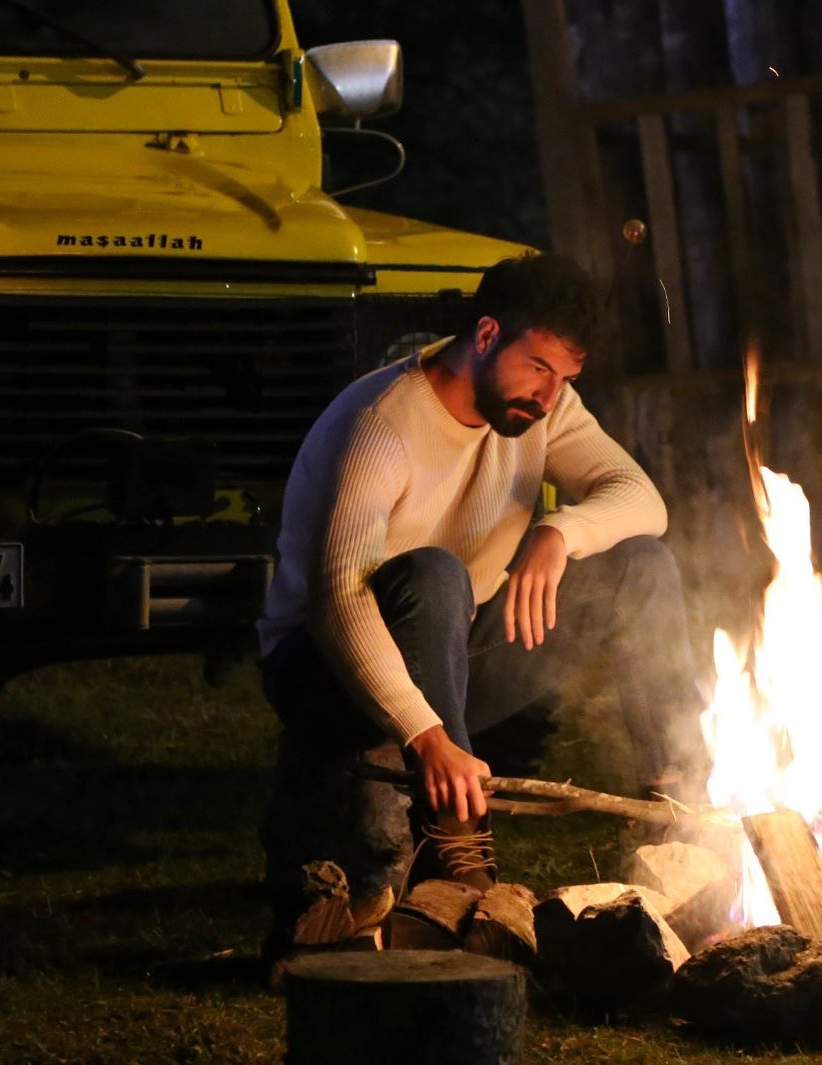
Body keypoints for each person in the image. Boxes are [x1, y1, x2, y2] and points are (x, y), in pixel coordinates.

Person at [257, 252, 705, 895]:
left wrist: (559, 532)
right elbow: (337, 602)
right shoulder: (381, 423)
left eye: (565, 376)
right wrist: (425, 733)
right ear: (488, 334)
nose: (549, 396)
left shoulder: (542, 408)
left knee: (641, 566)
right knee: (437, 575)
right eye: (539, 367)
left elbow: (642, 500)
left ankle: (681, 811)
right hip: (321, 673)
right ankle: (457, 845)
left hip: (450, 651)